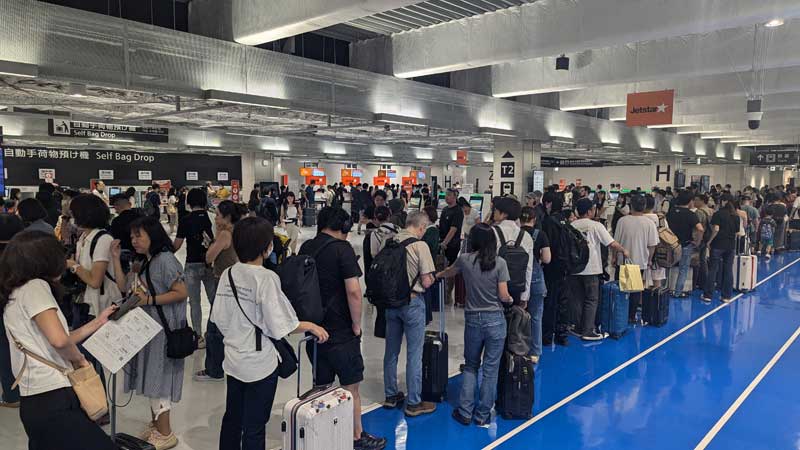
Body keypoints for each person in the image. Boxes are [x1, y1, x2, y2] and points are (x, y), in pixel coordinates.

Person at [211, 217, 328, 450]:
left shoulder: (229, 274)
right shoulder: (266, 278)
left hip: (233, 359)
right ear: (267, 248)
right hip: (259, 364)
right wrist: (311, 326)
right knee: (254, 425)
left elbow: (218, 318)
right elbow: (281, 324)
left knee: (232, 418)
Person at [1, 231, 117, 450]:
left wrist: (98, 322)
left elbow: (58, 338)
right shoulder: (35, 287)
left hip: (34, 399)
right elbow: (59, 341)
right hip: (53, 396)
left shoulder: (16, 292)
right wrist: (81, 360)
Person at [297, 208, 386, 450]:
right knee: (350, 388)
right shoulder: (342, 249)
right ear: (343, 227)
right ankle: (356, 436)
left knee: (322, 387)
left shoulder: (307, 247)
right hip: (341, 332)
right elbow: (354, 291)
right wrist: (357, 324)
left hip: (314, 330)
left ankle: (323, 435)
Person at [109, 216, 188, 449]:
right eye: (132, 236)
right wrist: (115, 259)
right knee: (152, 378)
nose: (134, 240)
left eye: (138, 235)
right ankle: (157, 425)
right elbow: (126, 288)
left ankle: (165, 433)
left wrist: (149, 300)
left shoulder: (164, 260)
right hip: (148, 330)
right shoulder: (145, 260)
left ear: (152, 235)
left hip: (163, 331)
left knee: (159, 378)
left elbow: (181, 292)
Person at [437, 223, 512, 427]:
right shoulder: (500, 263)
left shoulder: (465, 260)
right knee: (490, 368)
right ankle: (482, 415)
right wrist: (511, 300)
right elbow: (503, 295)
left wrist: (436, 275)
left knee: (471, 366)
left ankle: (465, 411)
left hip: (473, 320)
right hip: (496, 320)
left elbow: (450, 272)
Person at [382, 211, 437, 417]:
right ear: (421, 227)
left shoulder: (390, 240)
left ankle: (390, 395)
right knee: (414, 353)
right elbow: (426, 281)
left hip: (390, 303)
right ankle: (414, 402)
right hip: (413, 303)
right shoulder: (419, 245)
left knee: (391, 351)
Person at [193, 201, 248, 383]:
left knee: (214, 327)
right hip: (236, 281)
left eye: (217, 215)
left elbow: (209, 257)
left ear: (226, 217)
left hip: (223, 283)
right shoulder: (239, 231)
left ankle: (214, 369)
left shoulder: (225, 234)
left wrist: (212, 242)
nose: (215, 218)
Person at [570, 198, 628, 340]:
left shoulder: (571, 225)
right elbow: (610, 243)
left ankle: (577, 327)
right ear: (590, 211)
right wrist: (623, 250)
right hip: (591, 268)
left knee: (577, 298)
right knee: (591, 299)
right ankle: (588, 330)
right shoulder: (596, 226)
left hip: (573, 268)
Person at [174, 188, 216, 349]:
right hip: (210, 264)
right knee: (214, 300)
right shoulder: (212, 217)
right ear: (205, 201)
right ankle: (213, 332)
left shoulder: (185, 220)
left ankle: (197, 335)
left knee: (195, 302)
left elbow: (177, 244)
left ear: (189, 203)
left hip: (191, 264)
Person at [613, 194, 659, 323]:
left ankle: (619, 314)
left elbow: (615, 243)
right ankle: (631, 316)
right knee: (635, 290)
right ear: (644, 206)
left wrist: (613, 257)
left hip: (623, 260)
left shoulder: (622, 221)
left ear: (630, 206)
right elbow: (652, 245)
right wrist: (649, 260)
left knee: (621, 289)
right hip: (640, 262)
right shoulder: (649, 223)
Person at [519, 206, 551, 362]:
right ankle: (535, 352)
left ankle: (517, 347)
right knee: (536, 316)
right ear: (534, 219)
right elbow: (547, 259)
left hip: (517, 278)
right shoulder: (540, 235)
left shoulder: (516, 234)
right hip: (536, 279)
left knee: (517, 315)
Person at [0, 214, 25, 409]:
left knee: (3, 348)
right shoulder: (24, 254)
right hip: (22, 308)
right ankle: (21, 391)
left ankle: (11, 393)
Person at [491, 197, 534, 305]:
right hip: (516, 288)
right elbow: (528, 268)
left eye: (495, 210)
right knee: (514, 320)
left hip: (494, 287)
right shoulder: (526, 236)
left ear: (504, 214)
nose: (493, 213)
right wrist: (525, 296)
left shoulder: (492, 232)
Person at [703, 194, 741, 303]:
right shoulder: (736, 216)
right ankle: (726, 296)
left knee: (713, 269)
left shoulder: (718, 214)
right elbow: (738, 232)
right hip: (730, 246)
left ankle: (708, 295)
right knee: (728, 270)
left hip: (718, 245)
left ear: (724, 201)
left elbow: (716, 229)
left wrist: (709, 241)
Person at [667, 191, 703, 297]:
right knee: (683, 269)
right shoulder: (691, 214)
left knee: (667, 266)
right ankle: (678, 292)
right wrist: (697, 242)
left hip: (671, 244)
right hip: (685, 245)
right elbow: (700, 229)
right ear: (690, 201)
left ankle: (664, 290)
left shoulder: (671, 211)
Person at [439, 189, 464, 305]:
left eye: (449, 195)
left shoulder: (458, 211)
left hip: (453, 244)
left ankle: (449, 293)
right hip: (443, 243)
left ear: (455, 197)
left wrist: (445, 242)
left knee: (450, 269)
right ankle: (442, 292)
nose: (447, 197)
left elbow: (453, 229)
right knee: (442, 268)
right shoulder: (444, 210)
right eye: (446, 195)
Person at [109, 194, 143, 273]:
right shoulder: (141, 218)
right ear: (130, 204)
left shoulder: (116, 221)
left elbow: (114, 238)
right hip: (140, 255)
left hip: (123, 257)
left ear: (117, 206)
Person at [642, 195, 667, 289]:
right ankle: (656, 301)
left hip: (642, 253)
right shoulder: (661, 218)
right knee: (657, 280)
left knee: (641, 281)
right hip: (659, 254)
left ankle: (640, 302)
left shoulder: (639, 218)